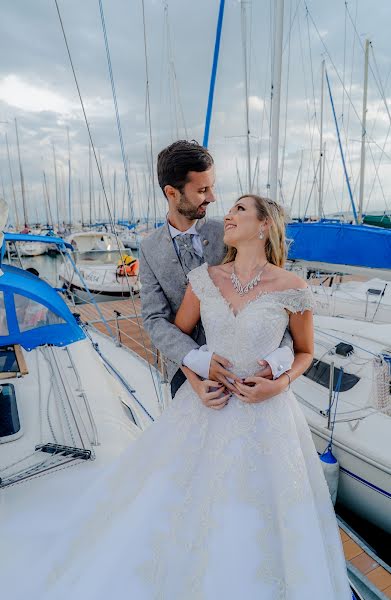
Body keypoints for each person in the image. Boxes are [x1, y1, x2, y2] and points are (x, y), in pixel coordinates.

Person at [29, 193, 351, 599]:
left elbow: (304, 352)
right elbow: (178, 340)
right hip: (205, 408)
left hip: (268, 418)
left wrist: (280, 383)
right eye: (229, 208)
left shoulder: (293, 288)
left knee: (263, 521)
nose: (227, 215)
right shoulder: (205, 278)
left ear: (265, 225)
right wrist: (195, 380)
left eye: (239, 210)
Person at [139, 140, 294, 399]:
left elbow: (276, 303)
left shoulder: (232, 233)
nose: (212, 197)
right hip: (185, 371)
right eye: (202, 190)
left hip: (251, 372)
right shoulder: (148, 248)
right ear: (171, 193)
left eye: (212, 187)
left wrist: (280, 359)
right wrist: (196, 363)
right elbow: (155, 319)